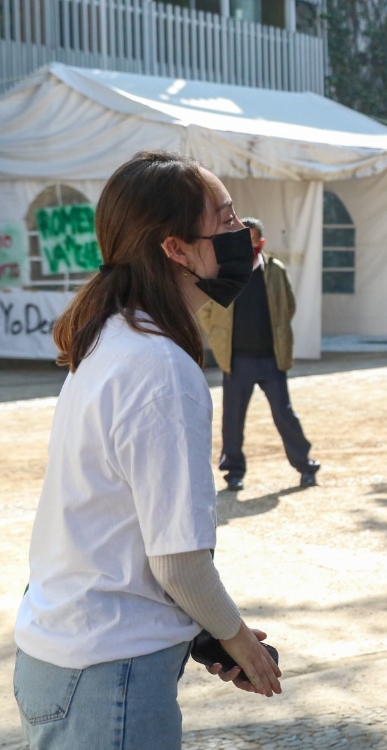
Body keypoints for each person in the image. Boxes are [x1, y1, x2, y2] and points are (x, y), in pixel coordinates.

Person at [13, 151, 282, 750]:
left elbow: (121, 529)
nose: (242, 233)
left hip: (65, 656)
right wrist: (238, 640)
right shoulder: (160, 366)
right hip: (111, 675)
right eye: (227, 218)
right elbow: (178, 562)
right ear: (177, 249)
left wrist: (202, 628)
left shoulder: (112, 336)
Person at [197, 216, 320, 491]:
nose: (249, 245)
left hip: (271, 359)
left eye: (253, 240)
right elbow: (207, 308)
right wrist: (217, 336)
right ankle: (233, 472)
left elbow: (288, 305)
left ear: (261, 242)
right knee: (233, 419)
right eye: (244, 239)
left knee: (284, 414)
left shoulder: (275, 270)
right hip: (237, 361)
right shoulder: (224, 271)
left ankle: (305, 464)